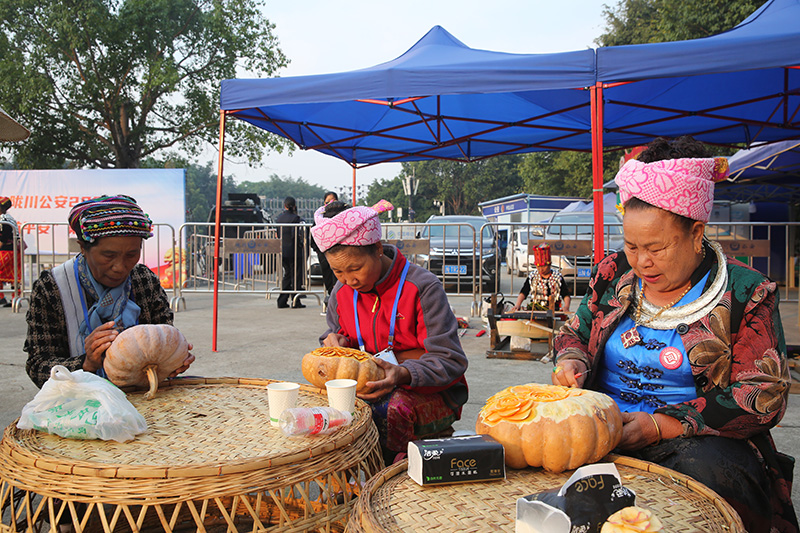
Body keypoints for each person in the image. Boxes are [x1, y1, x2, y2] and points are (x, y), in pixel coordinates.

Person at [551, 137, 797, 533]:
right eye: (631, 245)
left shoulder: (745, 292)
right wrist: (571, 360)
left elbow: (762, 395)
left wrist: (660, 425)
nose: (642, 261)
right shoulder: (614, 274)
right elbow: (573, 332)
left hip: (698, 448)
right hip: (603, 431)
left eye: (657, 247)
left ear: (696, 232)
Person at [312, 200, 468, 465]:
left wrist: (404, 372)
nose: (349, 280)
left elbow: (450, 361)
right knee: (320, 407)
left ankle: (386, 485)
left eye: (355, 268)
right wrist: (335, 343)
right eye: (338, 271)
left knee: (387, 409)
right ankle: (347, 486)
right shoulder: (341, 293)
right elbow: (335, 333)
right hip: (370, 385)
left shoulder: (422, 287)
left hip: (430, 391)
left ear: (377, 249)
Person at [24, 195, 195, 388]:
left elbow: (162, 338)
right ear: (83, 247)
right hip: (78, 402)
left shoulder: (144, 281)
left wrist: (171, 360)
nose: (120, 267)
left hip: (144, 396)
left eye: (132, 254)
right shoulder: (52, 287)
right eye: (108, 255)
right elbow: (37, 366)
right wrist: (86, 363)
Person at [510, 243, 572, 313]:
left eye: (543, 267)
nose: (541, 269)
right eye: (538, 267)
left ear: (549, 264)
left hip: (554, 310)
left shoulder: (557, 277)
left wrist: (566, 306)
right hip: (535, 309)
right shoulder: (533, 276)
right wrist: (518, 304)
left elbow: (565, 294)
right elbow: (523, 292)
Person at [275, 196, 306, 309]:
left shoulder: (279, 218)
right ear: (294, 206)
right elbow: (296, 235)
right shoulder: (295, 218)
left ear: (284, 206)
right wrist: (300, 245)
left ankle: (282, 301)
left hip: (283, 250)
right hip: (294, 251)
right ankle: (295, 301)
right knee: (296, 276)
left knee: (287, 275)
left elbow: (278, 234)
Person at [310, 191, 339, 312]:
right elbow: (313, 236)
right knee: (328, 278)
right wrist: (319, 251)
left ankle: (339, 304)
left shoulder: (342, 216)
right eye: (328, 202)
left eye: (333, 201)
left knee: (339, 279)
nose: (330, 204)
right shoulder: (319, 218)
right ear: (324, 203)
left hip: (338, 255)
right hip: (324, 254)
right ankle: (332, 305)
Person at [0, 197, 21, 308]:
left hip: (6, 251)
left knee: (13, 276)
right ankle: (15, 299)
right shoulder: (9, 218)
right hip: (14, 251)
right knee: (15, 276)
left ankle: (2, 297)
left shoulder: (3, 219)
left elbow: (3, 238)